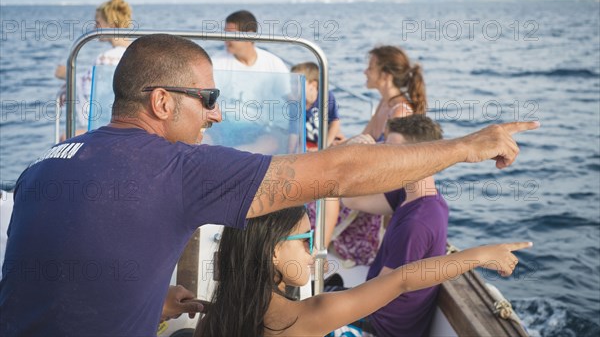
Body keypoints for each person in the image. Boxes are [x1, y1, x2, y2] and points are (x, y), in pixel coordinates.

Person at [0, 34, 538, 336]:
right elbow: (335, 173)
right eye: (208, 99)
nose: (215, 116)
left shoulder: (42, 166)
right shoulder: (175, 166)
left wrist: (145, 299)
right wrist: (470, 146)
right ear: (162, 102)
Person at [196, 206, 532, 337]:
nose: (315, 253)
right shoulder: (309, 316)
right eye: (306, 241)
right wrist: (481, 254)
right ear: (272, 252)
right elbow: (401, 280)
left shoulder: (217, 318)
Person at [343, 115, 447, 336]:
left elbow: (377, 294)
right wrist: (350, 155)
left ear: (420, 158)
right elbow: (350, 200)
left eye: (392, 151)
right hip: (372, 307)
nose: (383, 157)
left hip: (381, 327)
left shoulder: (417, 223)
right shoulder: (411, 194)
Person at [332, 45, 427, 266]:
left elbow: (393, 163)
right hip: (370, 173)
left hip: (386, 185)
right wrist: (332, 148)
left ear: (385, 75)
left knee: (325, 190)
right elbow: (366, 137)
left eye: (370, 67)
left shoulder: (400, 111)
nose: (365, 71)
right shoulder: (385, 103)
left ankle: (324, 245)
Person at [208, 10, 291, 153]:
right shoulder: (215, 63)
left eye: (230, 34)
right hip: (221, 125)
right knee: (203, 141)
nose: (225, 39)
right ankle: (232, 158)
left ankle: (228, 158)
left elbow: (289, 100)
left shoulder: (273, 63)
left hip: (258, 128)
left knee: (271, 144)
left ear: (250, 34)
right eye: (224, 34)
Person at [55, 0, 133, 136]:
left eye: (98, 23)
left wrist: (67, 77)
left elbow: (90, 91)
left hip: (108, 127)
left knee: (64, 138)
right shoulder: (134, 52)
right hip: (129, 124)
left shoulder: (106, 59)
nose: (94, 27)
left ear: (112, 25)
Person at [291, 61, 341, 248]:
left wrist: (324, 146)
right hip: (304, 147)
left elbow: (335, 123)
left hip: (323, 145)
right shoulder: (294, 104)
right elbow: (293, 135)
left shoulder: (327, 98)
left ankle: (321, 245)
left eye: (298, 84)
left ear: (313, 85)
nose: (294, 89)